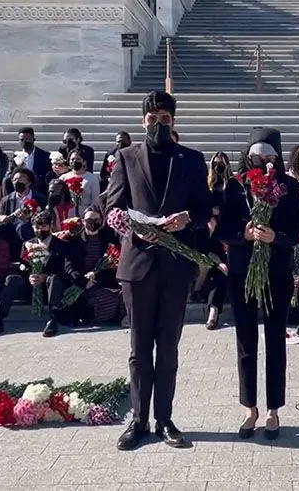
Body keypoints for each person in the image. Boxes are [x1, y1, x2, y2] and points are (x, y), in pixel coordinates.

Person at [107, 90, 212, 451]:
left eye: (165, 119)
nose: (158, 124)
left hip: (175, 267)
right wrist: (124, 222)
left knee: (167, 347)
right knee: (139, 348)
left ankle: (164, 419)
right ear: (142, 122)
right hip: (137, 266)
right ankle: (138, 420)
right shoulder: (125, 157)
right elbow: (113, 205)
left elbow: (203, 208)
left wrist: (189, 219)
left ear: (173, 121)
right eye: (152, 119)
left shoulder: (193, 160)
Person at [218, 127, 299, 440]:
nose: (263, 162)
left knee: (275, 340)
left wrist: (274, 237)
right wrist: (246, 233)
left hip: (277, 272)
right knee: (245, 340)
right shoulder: (236, 186)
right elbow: (223, 231)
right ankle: (249, 407)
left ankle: (273, 409)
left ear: (277, 159)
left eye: (269, 157)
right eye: (256, 156)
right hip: (242, 272)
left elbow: (296, 232)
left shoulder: (289, 187)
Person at [0, 211, 83, 337]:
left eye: (43, 226)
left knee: (54, 278)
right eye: (37, 227)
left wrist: (45, 276)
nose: (40, 230)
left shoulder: (62, 246)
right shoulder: (28, 244)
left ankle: (53, 319)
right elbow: (22, 267)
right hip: (31, 287)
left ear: (50, 226)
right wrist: (29, 275)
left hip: (50, 288)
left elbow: (65, 270)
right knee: (12, 279)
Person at [201, 151, 231, 330]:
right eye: (215, 163)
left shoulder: (233, 185)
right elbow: (200, 208)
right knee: (217, 268)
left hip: (226, 236)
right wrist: (210, 217)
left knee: (222, 272)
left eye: (222, 163)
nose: (218, 166)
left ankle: (213, 312)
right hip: (208, 237)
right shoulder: (207, 185)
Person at [80, 208, 123, 323]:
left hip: (104, 280)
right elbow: (70, 265)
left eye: (96, 219)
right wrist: (84, 280)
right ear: (83, 221)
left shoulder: (109, 239)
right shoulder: (77, 240)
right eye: (89, 219)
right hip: (83, 283)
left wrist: (96, 276)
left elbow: (113, 264)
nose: (93, 222)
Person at [0, 168, 46, 260]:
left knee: (22, 227)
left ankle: (31, 257)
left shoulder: (40, 199)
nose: (17, 182)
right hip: (10, 227)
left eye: (20, 179)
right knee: (1, 227)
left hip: (28, 228)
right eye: (14, 180)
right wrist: (5, 218)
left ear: (29, 182)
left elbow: (43, 220)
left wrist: (27, 220)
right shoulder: (6, 199)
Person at [8, 127, 52, 195]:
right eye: (22, 140)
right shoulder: (15, 156)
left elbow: (48, 174)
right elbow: (11, 173)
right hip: (20, 186)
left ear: (33, 139)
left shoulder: (45, 156)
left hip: (38, 188)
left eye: (27, 139)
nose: (25, 142)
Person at [61, 148, 100, 216]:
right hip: (67, 213)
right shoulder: (63, 178)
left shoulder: (92, 178)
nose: (75, 161)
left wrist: (88, 212)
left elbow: (95, 200)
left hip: (85, 213)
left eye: (78, 159)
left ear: (84, 162)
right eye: (72, 159)